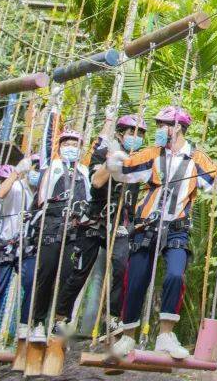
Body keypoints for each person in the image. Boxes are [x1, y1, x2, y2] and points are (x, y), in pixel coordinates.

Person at [106, 106, 217, 360]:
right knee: (135, 280)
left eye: (162, 125)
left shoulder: (196, 159)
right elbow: (125, 171)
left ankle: (166, 335)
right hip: (147, 225)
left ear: (177, 127)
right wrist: (114, 160)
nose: (158, 130)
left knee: (175, 276)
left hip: (177, 228)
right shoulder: (151, 154)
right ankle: (128, 337)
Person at [52, 114, 146, 340]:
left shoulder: (139, 159)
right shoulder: (103, 152)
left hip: (120, 221)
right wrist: (110, 164)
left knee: (121, 266)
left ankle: (113, 317)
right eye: (131, 133)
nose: (136, 137)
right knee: (80, 271)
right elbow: (96, 182)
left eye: (140, 134)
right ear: (120, 134)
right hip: (95, 219)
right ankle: (60, 317)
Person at [26, 130, 90, 343]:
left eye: (75, 144)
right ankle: (37, 321)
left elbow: (89, 199)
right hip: (52, 225)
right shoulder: (51, 167)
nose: (71, 147)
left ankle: (60, 319)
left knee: (68, 275)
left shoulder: (83, 171)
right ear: (61, 146)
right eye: (68, 143)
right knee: (46, 273)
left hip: (74, 228)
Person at [0, 160, 31, 342]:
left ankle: (24, 333)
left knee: (32, 285)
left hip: (27, 246)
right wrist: (16, 172)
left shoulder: (35, 189)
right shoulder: (15, 186)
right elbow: (1, 192)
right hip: (6, 245)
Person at [14, 154, 42, 345]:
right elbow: (1, 193)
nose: (37, 174)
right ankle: (24, 323)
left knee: (39, 284)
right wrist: (17, 172)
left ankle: (33, 323)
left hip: (40, 245)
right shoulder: (19, 189)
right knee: (31, 282)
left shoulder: (44, 191)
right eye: (35, 169)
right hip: (23, 247)